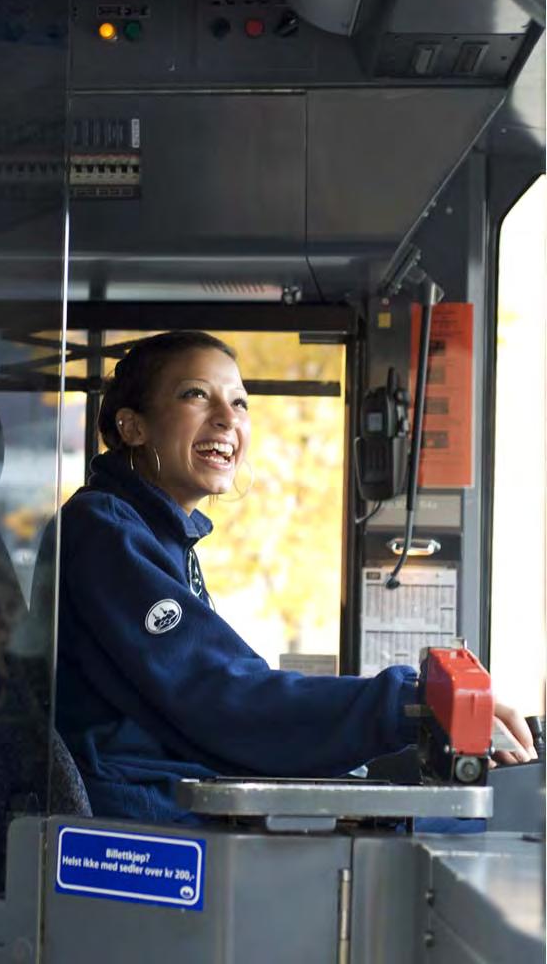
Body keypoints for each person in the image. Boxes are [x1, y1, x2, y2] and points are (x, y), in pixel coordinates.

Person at [42, 330, 536, 822]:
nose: (227, 418)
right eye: (196, 394)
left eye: (239, 403)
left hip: (168, 788)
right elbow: (221, 697)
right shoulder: (104, 530)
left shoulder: (155, 534)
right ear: (132, 427)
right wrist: (412, 704)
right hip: (137, 817)